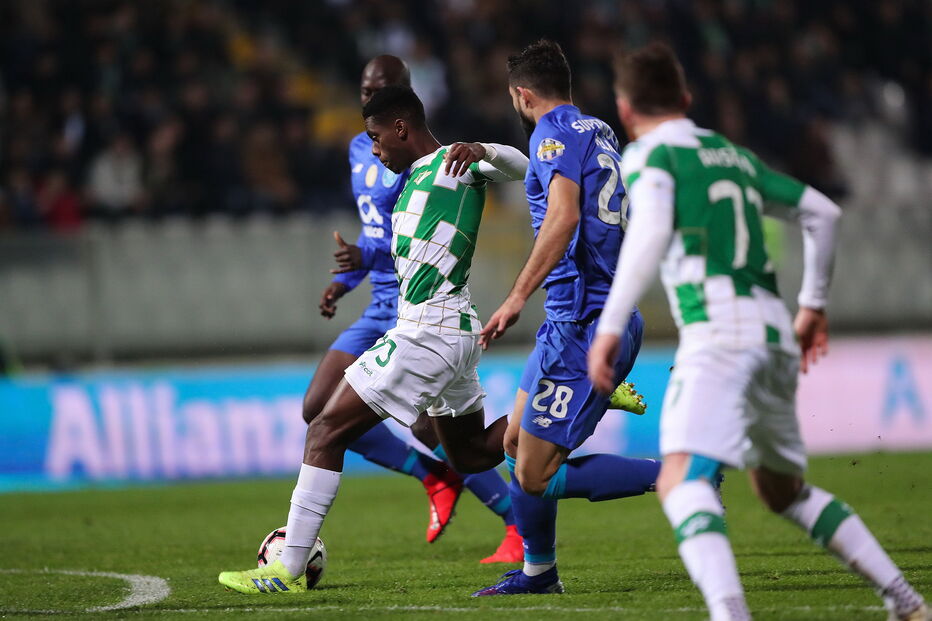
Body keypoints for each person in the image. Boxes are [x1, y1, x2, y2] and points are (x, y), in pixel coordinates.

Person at [588, 42, 929, 621]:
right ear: (687, 99)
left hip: (717, 331)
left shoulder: (649, 159)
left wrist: (610, 326)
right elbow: (824, 211)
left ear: (625, 110)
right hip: (774, 334)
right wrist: (813, 305)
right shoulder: (732, 155)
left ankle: (730, 614)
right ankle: (905, 600)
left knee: (681, 480)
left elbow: (646, 239)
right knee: (781, 491)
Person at [219, 85, 530, 593]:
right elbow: (410, 252)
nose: (375, 148)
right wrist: (360, 265)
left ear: (401, 127)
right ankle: (568, 396)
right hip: (449, 327)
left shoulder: (453, 163)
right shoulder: (411, 184)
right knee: (472, 454)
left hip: (428, 328)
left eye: (376, 136)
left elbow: (522, 165)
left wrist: (485, 150)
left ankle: (287, 569)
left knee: (324, 429)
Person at [306, 55, 523, 561]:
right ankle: (436, 476)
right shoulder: (364, 149)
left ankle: (496, 510)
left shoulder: (433, 163)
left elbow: (419, 237)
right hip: (389, 298)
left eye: (380, 89)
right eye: (364, 88)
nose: (368, 97)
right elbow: (375, 229)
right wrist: (348, 277)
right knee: (323, 410)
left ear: (403, 107)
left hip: (418, 304)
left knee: (389, 425)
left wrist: (369, 258)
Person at [471, 40, 661, 597]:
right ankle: (539, 572)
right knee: (512, 443)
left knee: (534, 474)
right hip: (580, 318)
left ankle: (679, 474)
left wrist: (514, 297)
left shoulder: (549, 136)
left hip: (582, 320)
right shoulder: (598, 130)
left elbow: (563, 215)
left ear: (522, 95)